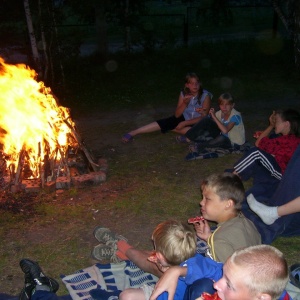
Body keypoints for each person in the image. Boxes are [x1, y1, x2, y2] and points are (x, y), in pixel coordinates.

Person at [94, 173, 261, 273]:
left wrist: (178, 272)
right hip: (224, 266)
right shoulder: (246, 223)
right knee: (169, 251)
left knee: (159, 264)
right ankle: (120, 254)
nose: (201, 203)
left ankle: (120, 245)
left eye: (207, 199)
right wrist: (208, 237)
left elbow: (223, 273)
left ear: (228, 204)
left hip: (208, 283)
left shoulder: (221, 241)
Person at [150, 245, 291, 300]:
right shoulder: (245, 282)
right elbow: (211, 267)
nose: (217, 284)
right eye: (224, 275)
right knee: (204, 285)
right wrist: (176, 271)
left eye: (229, 285)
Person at [121, 73, 212, 143]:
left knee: (201, 130)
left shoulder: (205, 95)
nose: (195, 86)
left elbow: (204, 117)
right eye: (191, 83)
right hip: (184, 117)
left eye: (196, 83)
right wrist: (184, 103)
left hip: (198, 121)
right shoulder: (183, 94)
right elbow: (177, 115)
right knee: (167, 121)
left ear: (199, 84)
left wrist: (185, 123)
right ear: (187, 85)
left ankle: (180, 131)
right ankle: (134, 132)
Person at [119, 220, 197, 300]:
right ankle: (125, 250)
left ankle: (123, 248)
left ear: (160, 256)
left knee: (126, 296)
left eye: (156, 248)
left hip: (163, 296)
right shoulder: (197, 263)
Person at [233, 109, 300, 189]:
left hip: (283, 174)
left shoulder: (287, 140)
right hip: (285, 170)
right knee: (267, 146)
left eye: (277, 121)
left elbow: (258, 144)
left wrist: (270, 126)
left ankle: (232, 178)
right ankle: (240, 175)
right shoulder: (292, 139)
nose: (275, 123)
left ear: (286, 124)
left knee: (256, 153)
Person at [185, 93, 245, 161]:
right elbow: (209, 121)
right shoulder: (220, 113)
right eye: (222, 104)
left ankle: (199, 146)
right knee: (206, 120)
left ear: (232, 105)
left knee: (221, 138)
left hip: (232, 142)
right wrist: (203, 113)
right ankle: (188, 136)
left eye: (227, 105)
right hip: (222, 134)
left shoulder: (235, 116)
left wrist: (214, 117)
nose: (224, 107)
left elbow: (225, 130)